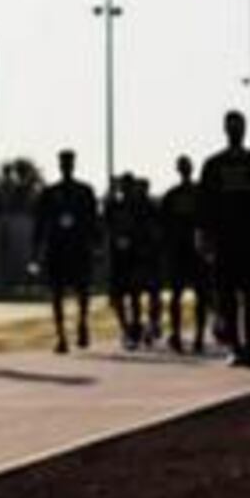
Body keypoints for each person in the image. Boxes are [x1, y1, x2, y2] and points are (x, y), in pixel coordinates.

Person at [195, 112, 250, 368]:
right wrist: (202, 235)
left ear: (245, 129)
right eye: (231, 127)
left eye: (238, 126)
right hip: (223, 238)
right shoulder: (213, 165)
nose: (235, 131)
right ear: (225, 130)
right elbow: (204, 204)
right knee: (227, 295)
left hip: (249, 236)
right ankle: (235, 345)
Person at [34, 149, 99, 352]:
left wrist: (96, 245)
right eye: (63, 163)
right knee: (56, 294)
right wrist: (36, 251)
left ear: (73, 165)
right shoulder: (50, 193)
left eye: (69, 163)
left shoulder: (84, 191)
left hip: (79, 247)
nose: (66, 166)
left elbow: (93, 219)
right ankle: (61, 336)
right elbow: (41, 222)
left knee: (83, 291)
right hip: (57, 248)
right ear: (60, 165)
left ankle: (82, 325)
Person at [156, 154, 206, 356]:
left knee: (187, 295)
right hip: (184, 250)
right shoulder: (184, 194)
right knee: (190, 295)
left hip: (187, 250)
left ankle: (191, 336)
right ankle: (191, 336)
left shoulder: (176, 195)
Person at [102, 170, 155, 350]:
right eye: (122, 186)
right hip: (117, 257)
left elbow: (147, 228)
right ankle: (125, 328)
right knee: (117, 297)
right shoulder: (114, 205)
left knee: (134, 295)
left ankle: (135, 328)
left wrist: (143, 248)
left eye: (128, 186)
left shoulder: (141, 206)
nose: (125, 189)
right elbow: (105, 223)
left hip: (135, 256)